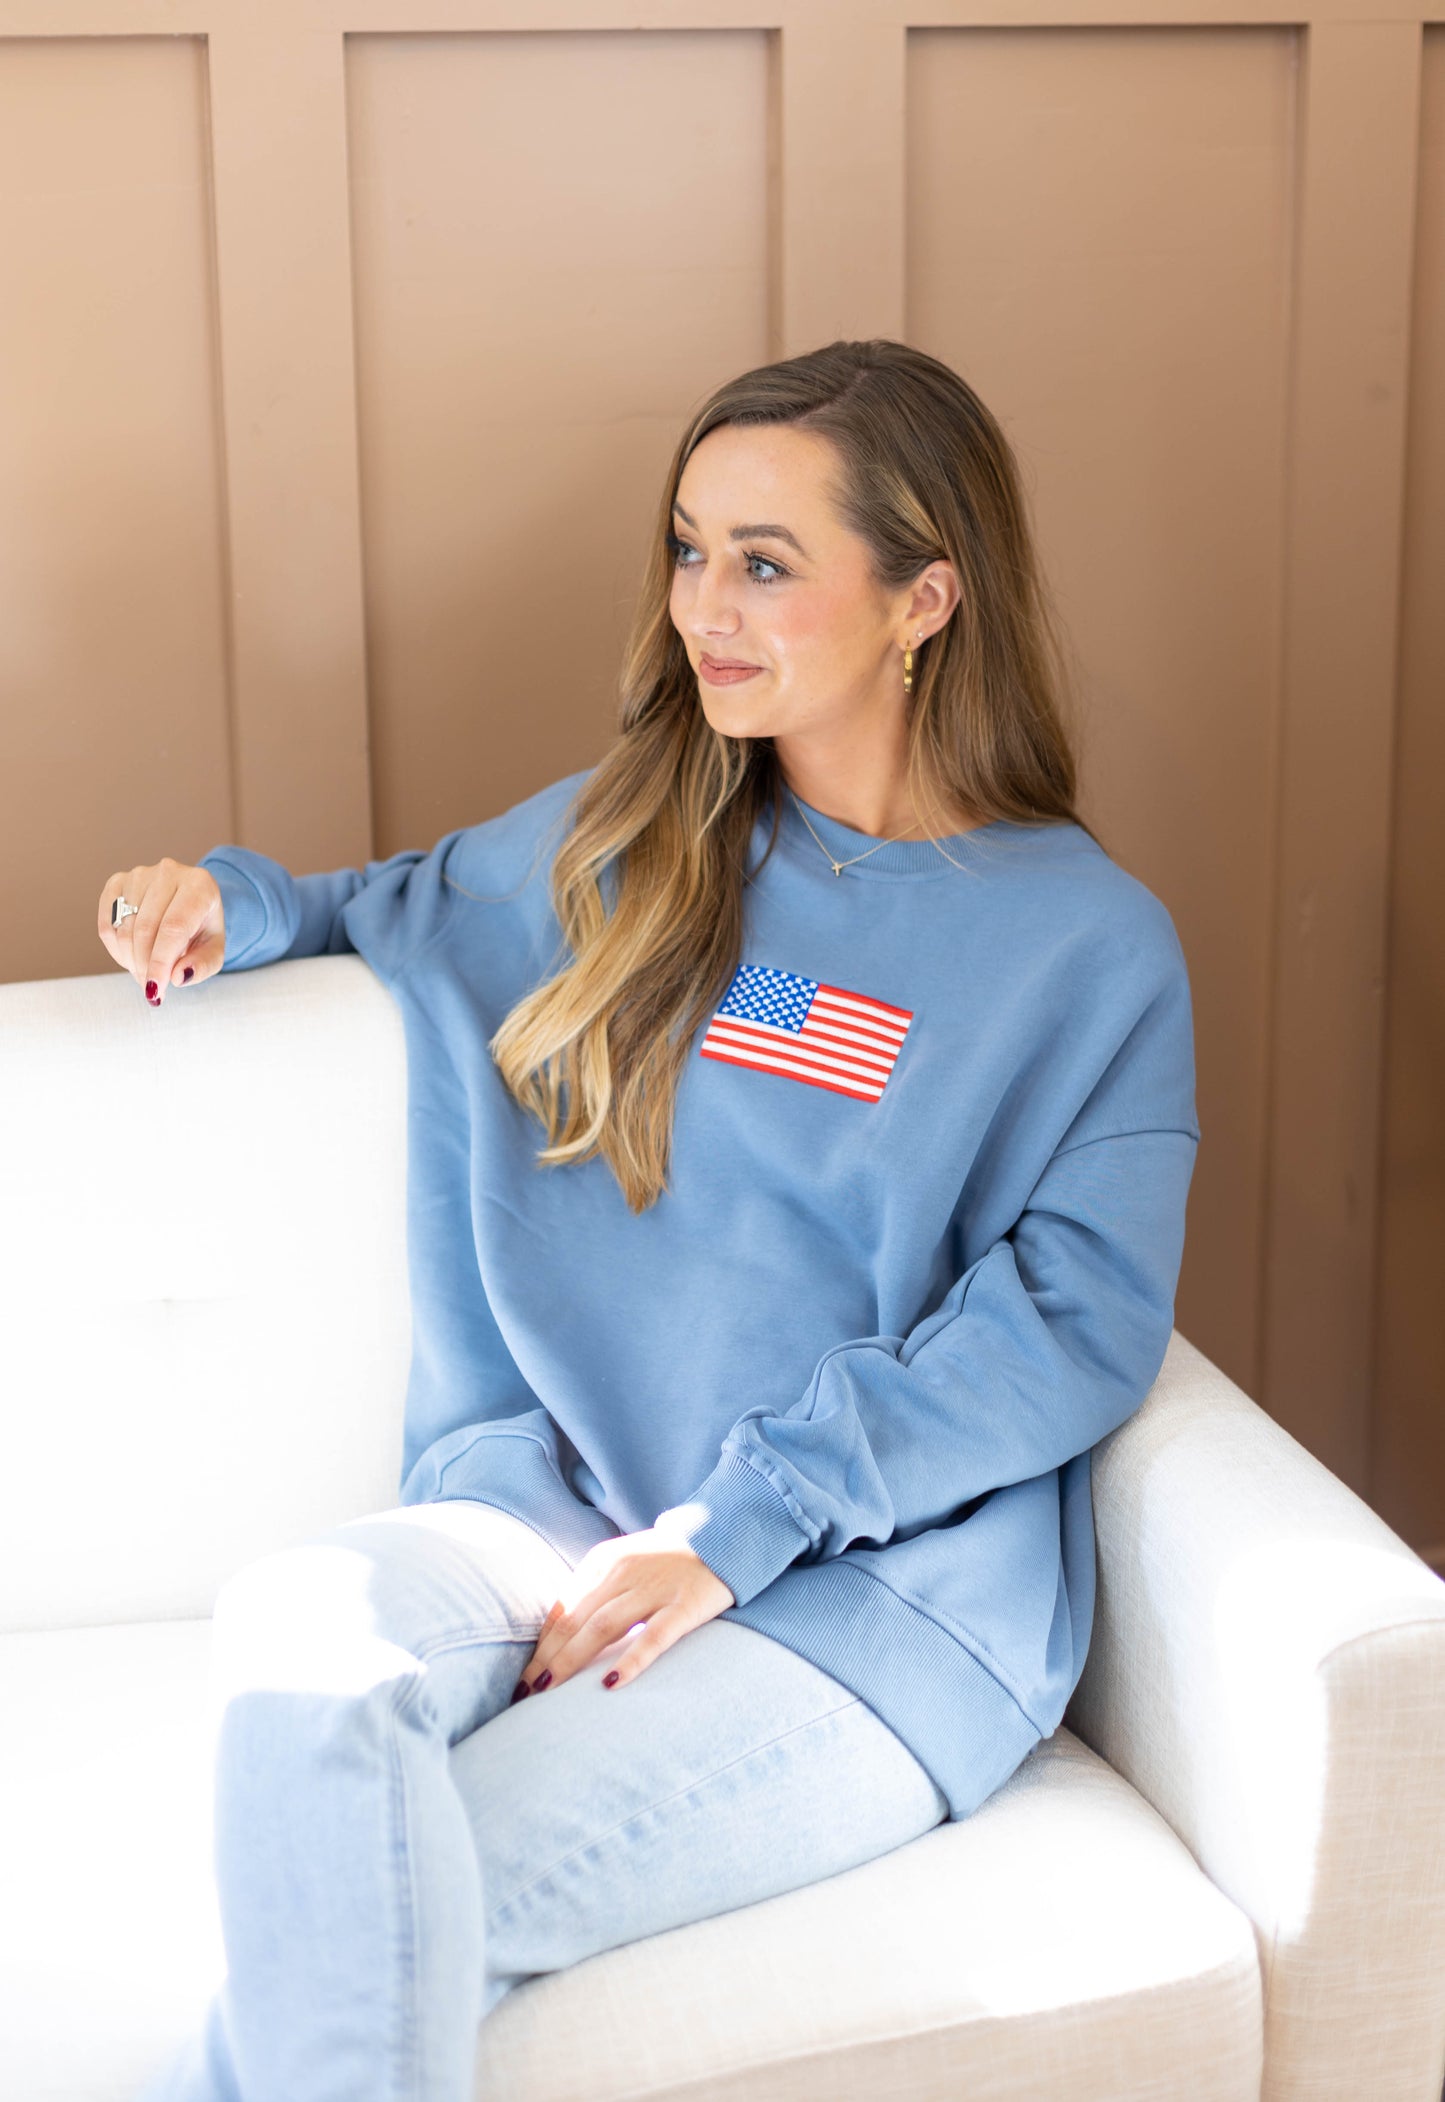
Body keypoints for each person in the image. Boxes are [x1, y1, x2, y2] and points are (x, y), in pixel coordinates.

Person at [101, 338, 1200, 2102]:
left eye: (766, 562)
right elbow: (379, 903)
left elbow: (1071, 1321)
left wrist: (736, 1525)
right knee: (301, 1632)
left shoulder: (1083, 943)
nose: (705, 606)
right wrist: (211, 902)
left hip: (859, 1602)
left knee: (377, 1911)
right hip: (556, 1525)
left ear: (926, 596)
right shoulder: (634, 839)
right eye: (689, 550)